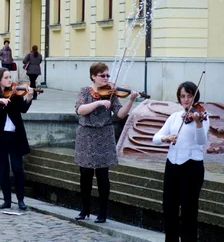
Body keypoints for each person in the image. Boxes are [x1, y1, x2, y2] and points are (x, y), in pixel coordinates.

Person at [74, 62, 138, 223]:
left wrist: (131, 100)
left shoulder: (112, 93)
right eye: (102, 75)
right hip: (86, 135)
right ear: (93, 76)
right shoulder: (84, 91)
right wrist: (99, 103)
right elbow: (80, 110)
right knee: (85, 174)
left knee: (103, 175)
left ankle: (103, 213)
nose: (106, 78)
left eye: (107, 75)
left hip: (104, 135)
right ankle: (85, 209)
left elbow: (121, 114)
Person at [152, 81, 209, 241]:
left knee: (189, 211)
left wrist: (198, 123)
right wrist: (166, 138)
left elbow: (201, 141)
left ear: (194, 97)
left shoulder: (203, 116)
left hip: (192, 167)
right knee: (169, 208)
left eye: (189, 96)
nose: (186, 99)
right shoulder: (174, 117)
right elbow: (155, 138)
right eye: (182, 96)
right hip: (172, 167)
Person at [0, 67, 33, 210]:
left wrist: (29, 97)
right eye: (6, 78)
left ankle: (21, 200)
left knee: (17, 168)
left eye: (10, 77)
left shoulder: (16, 93)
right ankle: (7, 200)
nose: (10, 80)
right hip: (0, 138)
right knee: (3, 169)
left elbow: (23, 109)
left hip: (14, 136)